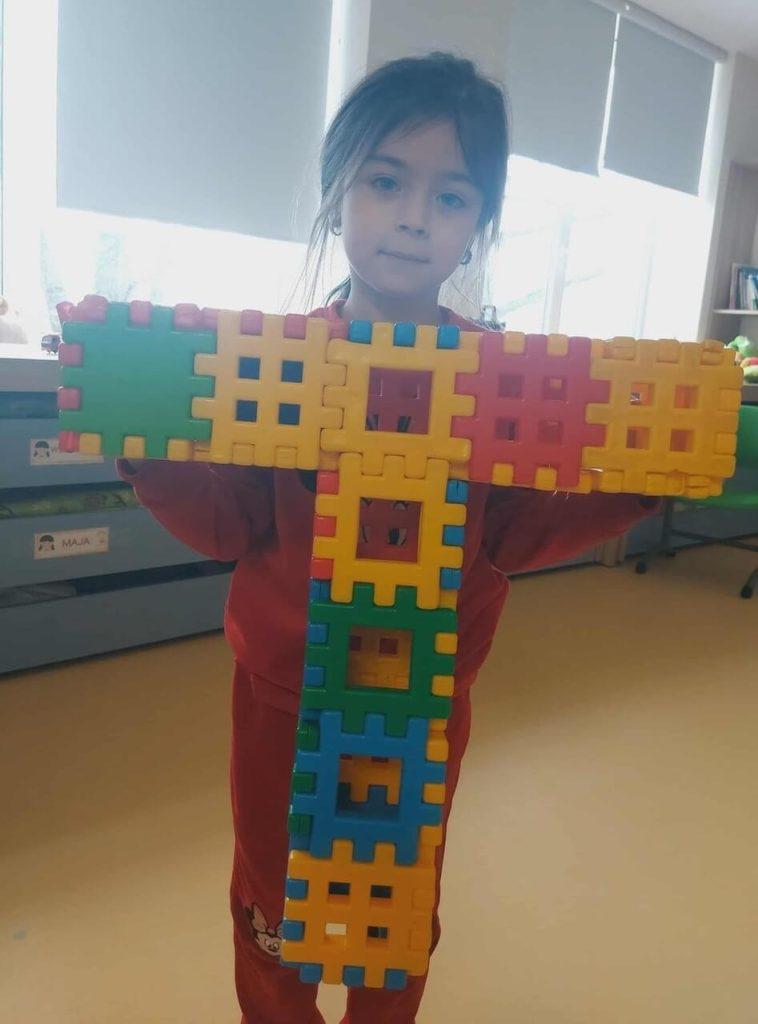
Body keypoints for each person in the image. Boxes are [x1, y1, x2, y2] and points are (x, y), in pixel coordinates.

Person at [118, 52, 658, 1024]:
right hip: (284, 696)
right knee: (274, 904)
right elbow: (227, 523)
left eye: (449, 196)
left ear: (477, 227)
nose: (414, 215)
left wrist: (638, 479)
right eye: (384, 181)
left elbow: (514, 533)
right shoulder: (281, 366)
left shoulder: (494, 379)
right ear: (337, 198)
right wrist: (144, 441)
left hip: (419, 698)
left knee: (392, 913)